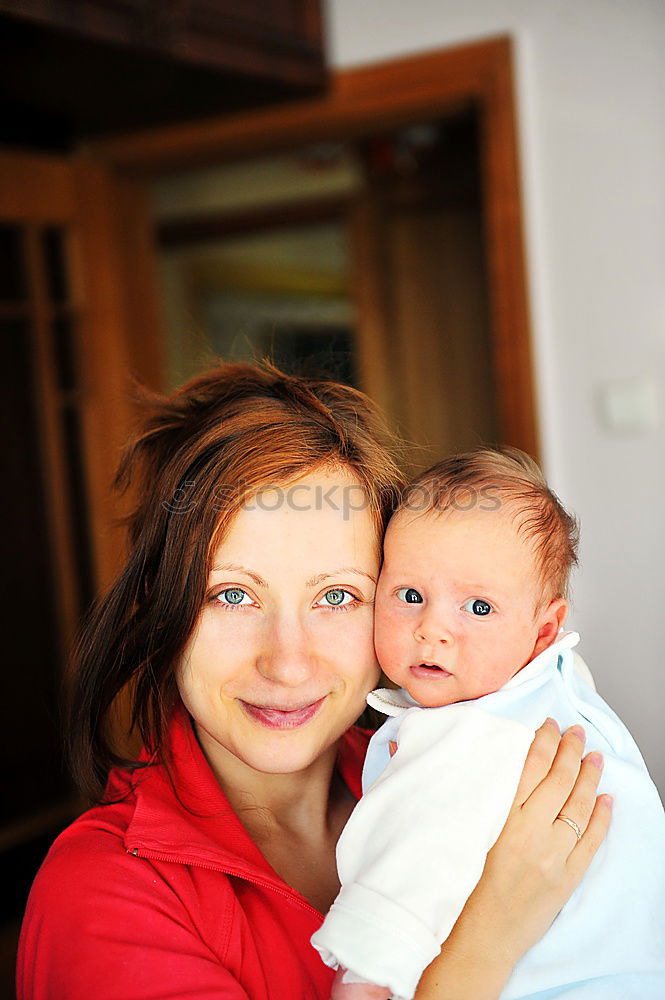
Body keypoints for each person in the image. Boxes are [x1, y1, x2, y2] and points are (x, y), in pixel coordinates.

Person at [17, 365, 612, 1000]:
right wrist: (489, 936)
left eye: (337, 595)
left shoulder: (456, 770)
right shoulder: (101, 893)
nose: (288, 662)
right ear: (162, 608)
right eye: (233, 594)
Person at [311, 448, 665, 1000]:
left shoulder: (463, 738)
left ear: (543, 630)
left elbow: (402, 883)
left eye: (478, 608)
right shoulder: (558, 683)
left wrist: (362, 980)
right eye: (410, 596)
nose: (432, 630)